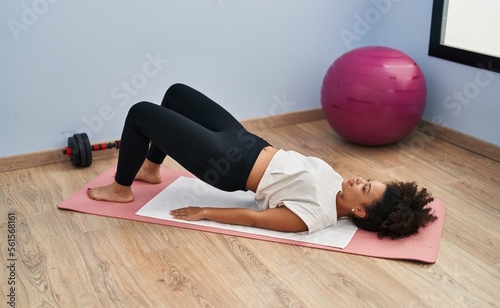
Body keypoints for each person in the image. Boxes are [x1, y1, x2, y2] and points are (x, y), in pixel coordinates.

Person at [88, 83, 437, 239]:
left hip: (226, 163)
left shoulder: (316, 215)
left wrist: (206, 212)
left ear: (360, 211)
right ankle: (149, 168)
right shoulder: (336, 187)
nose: (360, 179)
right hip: (246, 140)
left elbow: (257, 219)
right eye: (367, 179)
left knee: (141, 113)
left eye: (365, 188)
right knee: (176, 94)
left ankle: (121, 189)